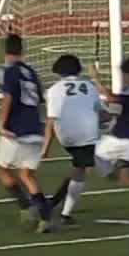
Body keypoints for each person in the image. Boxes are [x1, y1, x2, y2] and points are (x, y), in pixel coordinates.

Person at [0, 33, 52, 232]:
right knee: (27, 175)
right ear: (22, 50)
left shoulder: (10, 72)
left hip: (16, 130)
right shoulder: (32, 73)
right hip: (34, 129)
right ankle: (45, 215)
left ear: (6, 51)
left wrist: (1, 124)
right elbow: (41, 101)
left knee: (2, 169)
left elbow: (8, 98)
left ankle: (26, 206)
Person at [42, 54, 103, 226]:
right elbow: (99, 111)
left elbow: (50, 120)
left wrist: (45, 146)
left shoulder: (54, 89)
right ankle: (62, 211)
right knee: (82, 170)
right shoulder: (90, 87)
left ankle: (55, 204)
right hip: (86, 135)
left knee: (81, 167)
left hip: (66, 136)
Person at [90, 57, 129, 188]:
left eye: (124, 74)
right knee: (128, 180)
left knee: (90, 155)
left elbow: (111, 98)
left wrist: (95, 78)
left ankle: (112, 171)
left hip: (122, 139)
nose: (123, 77)